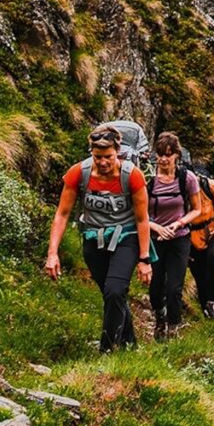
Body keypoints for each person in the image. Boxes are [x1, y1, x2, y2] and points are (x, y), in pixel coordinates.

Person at [45, 124, 153, 352]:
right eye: (98, 157)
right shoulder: (79, 173)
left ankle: (107, 350)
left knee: (115, 289)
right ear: (91, 153)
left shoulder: (132, 175)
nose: (103, 162)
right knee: (111, 294)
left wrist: (144, 260)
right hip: (93, 239)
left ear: (119, 152)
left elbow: (142, 219)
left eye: (109, 157)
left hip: (127, 237)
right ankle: (129, 345)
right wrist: (52, 253)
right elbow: (62, 214)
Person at [147, 132, 201, 340]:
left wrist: (178, 224)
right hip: (154, 237)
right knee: (155, 284)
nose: (162, 159)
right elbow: (139, 212)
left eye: (167, 155)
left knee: (174, 286)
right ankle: (160, 317)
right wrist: (157, 228)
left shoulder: (187, 178)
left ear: (176, 155)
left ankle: (173, 329)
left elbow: (196, 209)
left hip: (179, 237)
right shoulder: (149, 179)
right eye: (159, 154)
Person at [186, 165, 214, 319]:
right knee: (198, 272)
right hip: (192, 237)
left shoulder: (208, 185)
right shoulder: (178, 192)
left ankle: (212, 302)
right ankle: (206, 308)